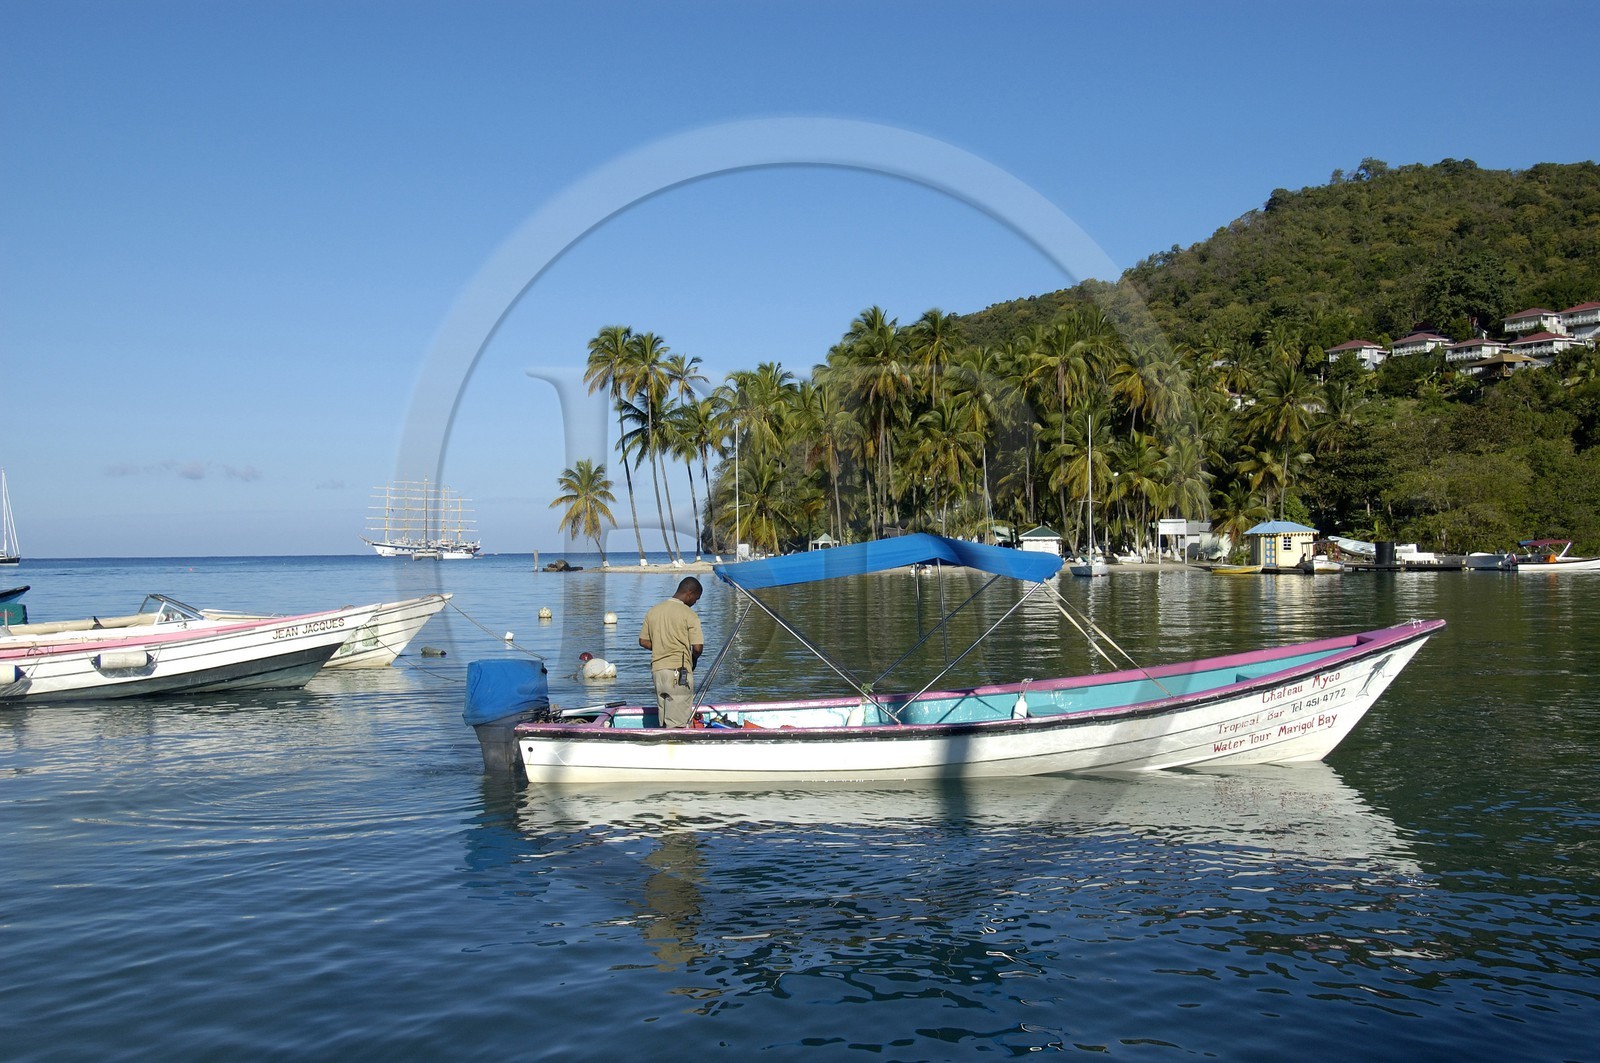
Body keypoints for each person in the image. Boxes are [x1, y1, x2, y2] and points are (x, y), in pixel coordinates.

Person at [637, 576, 704, 727]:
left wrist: (662, 646)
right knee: (678, 724)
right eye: (696, 598)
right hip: (678, 673)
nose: (695, 602)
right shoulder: (689, 614)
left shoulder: (653, 611)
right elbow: (698, 648)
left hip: (658, 672)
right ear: (689, 593)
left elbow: (643, 641)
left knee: (664, 719)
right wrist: (693, 659)